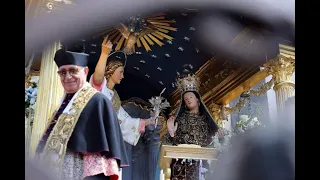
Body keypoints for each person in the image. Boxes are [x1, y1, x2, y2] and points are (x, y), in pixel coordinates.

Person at [36, 49, 129, 180]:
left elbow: (100, 165)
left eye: (73, 71)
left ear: (85, 71)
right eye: (62, 72)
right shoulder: (60, 108)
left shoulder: (98, 101)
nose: (67, 77)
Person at [90, 36, 161, 179]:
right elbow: (97, 77)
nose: (122, 76)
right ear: (111, 70)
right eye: (121, 72)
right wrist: (104, 54)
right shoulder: (100, 88)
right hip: (96, 141)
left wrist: (148, 122)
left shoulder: (114, 97)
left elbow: (124, 120)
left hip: (109, 144)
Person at [162, 68, 220, 180]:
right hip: (181, 166)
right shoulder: (180, 120)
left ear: (198, 100)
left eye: (191, 97)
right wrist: (171, 133)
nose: (188, 100)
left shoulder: (207, 121)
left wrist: (220, 138)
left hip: (203, 165)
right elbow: (168, 145)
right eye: (185, 99)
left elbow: (214, 143)